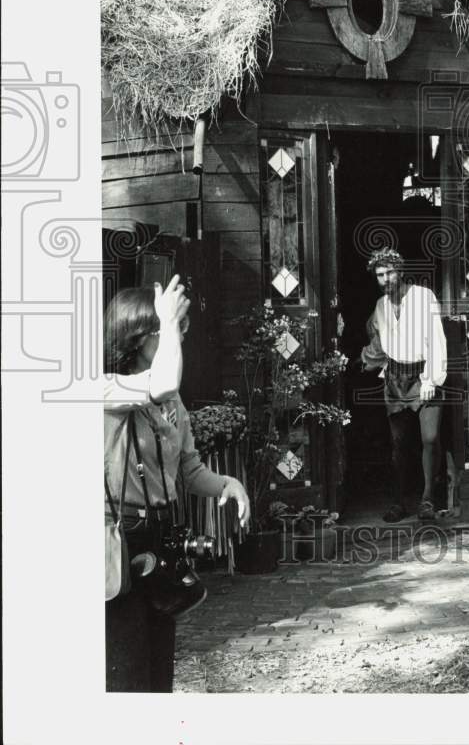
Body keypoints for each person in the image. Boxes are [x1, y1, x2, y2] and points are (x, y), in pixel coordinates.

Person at [104, 274, 250, 693]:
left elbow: (188, 470)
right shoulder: (103, 389)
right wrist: (169, 321)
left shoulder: (172, 403)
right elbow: (161, 382)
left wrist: (226, 484)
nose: (178, 340)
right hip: (116, 545)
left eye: (181, 330)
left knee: (157, 673)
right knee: (126, 674)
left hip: (159, 538)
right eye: (168, 331)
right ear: (134, 338)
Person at [361, 248, 447, 522]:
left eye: (389, 273)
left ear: (400, 271)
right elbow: (377, 337)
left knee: (430, 440)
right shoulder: (380, 306)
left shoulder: (424, 297)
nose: (385, 279)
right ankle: (399, 502)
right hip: (395, 380)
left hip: (423, 375)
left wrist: (431, 378)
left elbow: (437, 340)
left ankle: (427, 500)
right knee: (399, 444)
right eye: (380, 275)